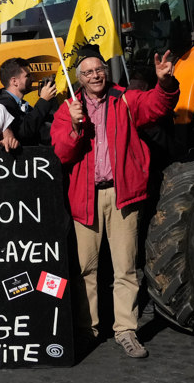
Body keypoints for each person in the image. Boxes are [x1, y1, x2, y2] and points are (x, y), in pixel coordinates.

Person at [51, 49, 180, 359]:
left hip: (123, 196)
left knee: (125, 268)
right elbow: (61, 154)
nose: (96, 75)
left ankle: (126, 330)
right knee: (86, 270)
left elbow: (157, 107)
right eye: (88, 72)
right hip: (85, 198)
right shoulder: (68, 108)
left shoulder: (125, 99)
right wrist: (75, 126)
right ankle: (88, 330)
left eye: (99, 70)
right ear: (79, 80)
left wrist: (165, 83)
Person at [0, 57, 59, 146]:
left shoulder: (22, 105)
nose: (33, 79)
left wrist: (50, 100)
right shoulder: (3, 106)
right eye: (28, 76)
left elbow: (42, 129)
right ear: (14, 81)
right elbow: (23, 132)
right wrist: (43, 101)